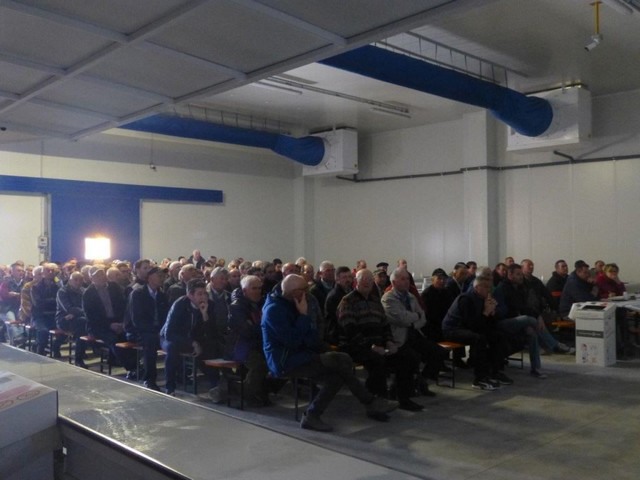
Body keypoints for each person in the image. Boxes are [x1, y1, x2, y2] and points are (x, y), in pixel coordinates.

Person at [262, 274, 398, 432]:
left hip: (303, 355)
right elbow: (292, 341)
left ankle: (312, 416)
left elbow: (311, 337)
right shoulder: (274, 310)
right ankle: (370, 402)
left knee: (337, 375)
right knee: (341, 360)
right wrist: (303, 316)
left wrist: (313, 336)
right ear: (294, 292)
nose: (307, 292)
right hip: (285, 360)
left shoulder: (294, 303)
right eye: (304, 289)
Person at [338, 269, 423, 411]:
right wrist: (371, 346)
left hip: (378, 344)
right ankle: (376, 403)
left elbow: (385, 325)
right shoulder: (347, 301)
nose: (367, 282)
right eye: (363, 280)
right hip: (355, 345)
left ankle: (402, 398)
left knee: (408, 357)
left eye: (370, 280)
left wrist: (389, 341)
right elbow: (350, 330)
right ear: (356, 282)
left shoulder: (375, 300)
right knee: (377, 361)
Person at [382, 269, 446, 396]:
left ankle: (421, 381)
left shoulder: (411, 297)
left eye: (407, 279)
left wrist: (413, 322)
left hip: (414, 333)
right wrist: (415, 317)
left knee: (439, 352)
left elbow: (423, 317)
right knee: (412, 357)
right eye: (403, 279)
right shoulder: (388, 298)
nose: (407, 282)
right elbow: (401, 319)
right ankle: (402, 389)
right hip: (398, 338)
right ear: (393, 282)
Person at [442, 275, 510, 390]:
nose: (489, 290)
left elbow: (486, 324)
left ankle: (494, 372)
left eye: (490, 287)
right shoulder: (466, 299)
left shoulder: (482, 299)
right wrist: (486, 312)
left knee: (497, 336)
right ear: (477, 287)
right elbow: (472, 325)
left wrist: (492, 313)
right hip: (452, 330)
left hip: (468, 329)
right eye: (486, 287)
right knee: (479, 339)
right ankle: (479, 379)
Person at [215, 275, 269, 406]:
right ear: (245, 290)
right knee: (259, 365)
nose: (258, 291)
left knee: (277, 362)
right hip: (240, 346)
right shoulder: (237, 307)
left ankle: (243, 391)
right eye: (254, 288)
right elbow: (246, 331)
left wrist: (260, 327)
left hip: (258, 344)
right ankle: (242, 392)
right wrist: (262, 327)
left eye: (259, 288)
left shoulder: (262, 303)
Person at [493, 264, 548, 378]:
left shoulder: (519, 288)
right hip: (502, 322)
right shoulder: (503, 288)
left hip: (515, 320)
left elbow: (525, 307)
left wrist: (538, 316)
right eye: (518, 274)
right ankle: (553, 344)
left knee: (532, 333)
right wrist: (533, 318)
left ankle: (536, 369)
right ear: (510, 275)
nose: (521, 277)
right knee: (528, 319)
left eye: (521, 274)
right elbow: (513, 308)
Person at [83, 266, 136, 377]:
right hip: (99, 325)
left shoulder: (114, 287)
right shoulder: (88, 293)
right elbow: (91, 316)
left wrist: (122, 323)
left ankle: (136, 364)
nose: (101, 277)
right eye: (97, 275)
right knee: (113, 339)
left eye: (102, 274)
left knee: (130, 336)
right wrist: (109, 325)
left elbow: (123, 305)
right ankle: (131, 368)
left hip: (117, 322)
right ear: (92, 278)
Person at [160, 279, 209, 396]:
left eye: (205, 293)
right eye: (199, 294)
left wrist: (205, 315)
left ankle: (215, 385)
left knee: (211, 346)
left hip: (192, 339)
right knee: (172, 348)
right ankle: (170, 386)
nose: (203, 297)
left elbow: (210, 332)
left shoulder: (208, 305)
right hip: (171, 338)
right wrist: (192, 343)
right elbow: (169, 333)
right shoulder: (180, 305)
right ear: (190, 295)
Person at [129, 267, 169, 390]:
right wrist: (154, 331)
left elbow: (165, 316)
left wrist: (163, 331)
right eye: (159, 275)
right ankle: (149, 379)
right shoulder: (138, 294)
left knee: (173, 341)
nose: (162, 278)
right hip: (139, 330)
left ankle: (176, 376)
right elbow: (136, 319)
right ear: (150, 277)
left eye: (162, 276)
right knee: (150, 342)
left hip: (157, 330)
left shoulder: (162, 295)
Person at [55, 271, 88, 367]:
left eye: (80, 280)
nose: (78, 282)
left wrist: (77, 313)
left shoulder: (84, 291)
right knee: (82, 325)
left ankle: (82, 352)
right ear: (70, 281)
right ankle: (78, 358)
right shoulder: (62, 292)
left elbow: (88, 306)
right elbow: (68, 308)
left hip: (78, 318)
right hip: (63, 319)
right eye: (75, 280)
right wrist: (81, 311)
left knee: (84, 324)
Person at [31, 263, 62, 356]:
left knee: (66, 330)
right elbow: (38, 303)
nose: (50, 272)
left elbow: (60, 301)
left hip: (54, 315)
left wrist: (48, 301)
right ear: (42, 273)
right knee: (43, 331)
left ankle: (56, 346)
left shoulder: (58, 286)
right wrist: (53, 300)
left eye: (52, 270)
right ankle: (40, 350)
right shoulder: (35, 287)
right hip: (40, 316)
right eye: (48, 270)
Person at [323, 266, 352, 344]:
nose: (348, 280)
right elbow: (336, 318)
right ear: (337, 279)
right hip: (337, 335)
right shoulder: (333, 296)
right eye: (344, 277)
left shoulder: (351, 293)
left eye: (349, 277)